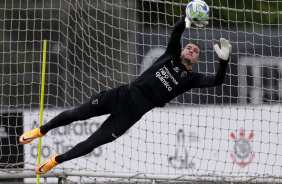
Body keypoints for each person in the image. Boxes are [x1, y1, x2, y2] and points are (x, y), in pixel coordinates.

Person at [19, 15, 232, 175]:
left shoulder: (192, 78)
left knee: (92, 143)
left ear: (196, 61)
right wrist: (187, 17)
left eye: (195, 52)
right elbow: (176, 32)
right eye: (189, 48)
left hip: (131, 114)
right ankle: (41, 130)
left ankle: (57, 160)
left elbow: (216, 81)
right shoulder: (171, 56)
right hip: (119, 95)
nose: (190, 51)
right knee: (77, 113)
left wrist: (223, 61)